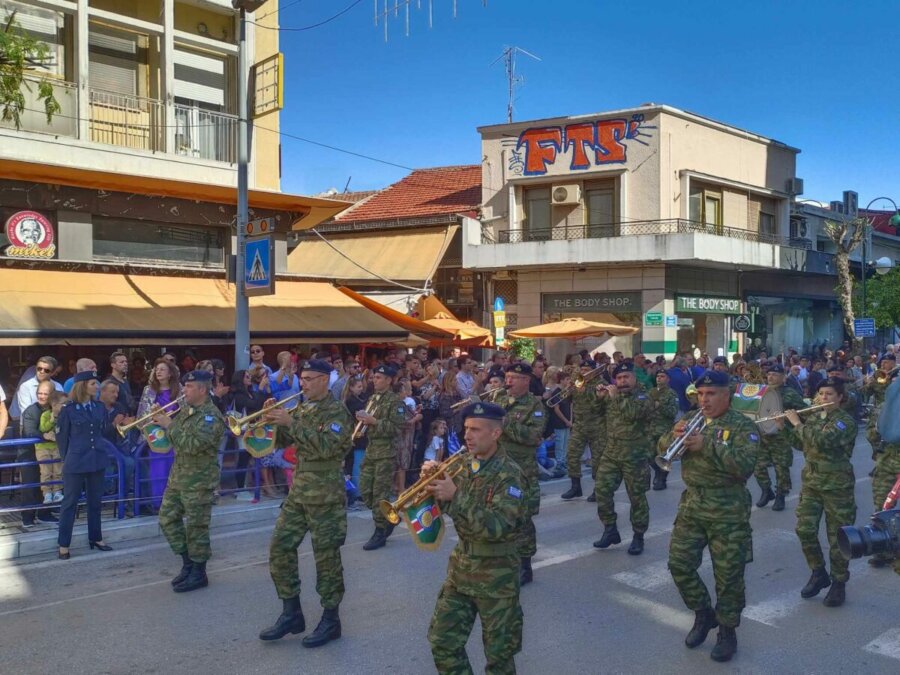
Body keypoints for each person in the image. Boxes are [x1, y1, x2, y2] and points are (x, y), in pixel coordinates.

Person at [660, 370, 759, 662]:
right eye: (701, 394)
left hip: (728, 508)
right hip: (693, 505)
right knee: (679, 564)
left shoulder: (743, 426)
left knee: (728, 575)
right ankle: (704, 613)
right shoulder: (692, 419)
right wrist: (672, 436)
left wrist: (708, 446)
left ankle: (727, 630)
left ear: (726, 395)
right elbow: (662, 448)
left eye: (711, 394)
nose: (704, 400)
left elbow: (744, 465)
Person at [425, 402, 526, 674]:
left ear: (495, 434)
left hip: (497, 576)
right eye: (466, 428)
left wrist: (455, 495)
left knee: (499, 658)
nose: (467, 435)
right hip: (461, 571)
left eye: (476, 430)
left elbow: (498, 527)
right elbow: (452, 511)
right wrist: (433, 487)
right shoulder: (463, 465)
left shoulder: (510, 475)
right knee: (442, 642)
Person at [259, 359, 353, 648]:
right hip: (299, 493)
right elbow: (283, 441)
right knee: (280, 547)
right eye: (303, 378)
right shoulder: (302, 408)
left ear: (325, 380)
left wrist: (292, 422)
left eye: (310, 378)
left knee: (326, 558)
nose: (304, 383)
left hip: (325, 496)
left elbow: (327, 447)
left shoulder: (338, 412)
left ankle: (330, 619)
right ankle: (291, 612)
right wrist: (271, 419)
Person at [786, 376, 857, 607]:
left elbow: (822, 441)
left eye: (828, 394)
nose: (823, 398)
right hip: (812, 483)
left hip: (837, 486)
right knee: (804, 530)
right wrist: (783, 428)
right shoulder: (815, 417)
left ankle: (838, 583)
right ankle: (818, 572)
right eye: (821, 394)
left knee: (837, 537)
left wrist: (797, 423)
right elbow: (802, 443)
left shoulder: (844, 421)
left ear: (839, 398)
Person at [152, 370, 226, 593]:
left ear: (202, 389)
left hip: (199, 481)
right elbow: (174, 439)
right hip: (178, 477)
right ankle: (187, 562)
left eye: (189, 387)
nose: (183, 391)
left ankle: (199, 571)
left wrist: (169, 424)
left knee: (196, 527)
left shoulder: (211, 417)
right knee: (167, 519)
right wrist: (155, 425)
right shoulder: (187, 410)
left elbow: (193, 444)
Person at [593, 362, 654, 555]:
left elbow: (632, 414)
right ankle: (610, 529)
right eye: (619, 378)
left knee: (636, 498)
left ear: (634, 378)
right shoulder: (613, 395)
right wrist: (598, 398)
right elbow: (595, 414)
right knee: (601, 491)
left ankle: (638, 536)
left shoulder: (643, 396)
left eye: (626, 377)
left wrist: (615, 397)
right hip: (611, 453)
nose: (622, 381)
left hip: (634, 455)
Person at [56, 370, 114, 560]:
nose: (96, 387)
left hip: (96, 458)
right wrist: (67, 458)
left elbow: (103, 431)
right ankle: (63, 544)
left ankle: (96, 537)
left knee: (95, 502)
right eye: (92, 384)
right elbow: (62, 439)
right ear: (82, 386)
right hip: (76, 461)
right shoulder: (68, 409)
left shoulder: (98, 407)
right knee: (70, 503)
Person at [499, 363, 545, 584]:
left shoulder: (535, 405)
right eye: (507, 377)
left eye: (514, 377)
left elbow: (533, 437)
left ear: (526, 380)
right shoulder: (498, 399)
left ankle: (525, 565)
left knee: (522, 517)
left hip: (521, 469)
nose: (509, 381)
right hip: (497, 467)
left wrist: (503, 421)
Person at [356, 364, 406, 551]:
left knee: (380, 494)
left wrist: (374, 421)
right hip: (371, 451)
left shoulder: (395, 402)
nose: (374, 380)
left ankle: (380, 532)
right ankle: (390, 517)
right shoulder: (373, 398)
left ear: (389, 380)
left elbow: (397, 428)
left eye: (378, 377)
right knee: (366, 492)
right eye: (374, 377)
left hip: (386, 454)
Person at [754, 364, 806, 511]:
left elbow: (802, 411)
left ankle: (780, 495)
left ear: (783, 378)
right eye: (769, 374)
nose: (770, 377)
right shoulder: (761, 391)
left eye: (775, 374)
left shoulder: (789, 393)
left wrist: (793, 423)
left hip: (781, 436)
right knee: (758, 467)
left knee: (781, 468)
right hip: (762, 435)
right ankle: (766, 490)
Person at [137, 359, 181, 509]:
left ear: (170, 373)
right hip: (155, 438)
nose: (158, 372)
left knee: (175, 470)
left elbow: (186, 414)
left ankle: (176, 503)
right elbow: (141, 416)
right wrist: (155, 417)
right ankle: (159, 503)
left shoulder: (180, 390)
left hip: (175, 435)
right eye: (157, 369)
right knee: (158, 471)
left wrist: (169, 420)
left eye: (162, 369)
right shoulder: (148, 390)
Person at [21, 381, 62, 523]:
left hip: (51, 452)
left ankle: (45, 514)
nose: (42, 396)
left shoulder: (56, 409)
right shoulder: (31, 411)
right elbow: (29, 431)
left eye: (46, 393)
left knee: (51, 479)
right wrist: (44, 435)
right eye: (40, 393)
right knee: (31, 486)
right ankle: (27, 518)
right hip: (30, 453)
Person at [561, 361, 603, 500]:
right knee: (572, 455)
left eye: (587, 369)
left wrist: (585, 391)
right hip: (579, 425)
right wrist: (568, 389)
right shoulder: (578, 381)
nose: (584, 372)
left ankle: (598, 489)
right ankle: (575, 487)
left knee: (597, 459)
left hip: (596, 425)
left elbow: (600, 403)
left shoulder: (600, 382)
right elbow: (566, 399)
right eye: (582, 369)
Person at [648, 370, 679, 491]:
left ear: (668, 379)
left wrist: (659, 405)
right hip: (650, 429)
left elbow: (673, 412)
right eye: (657, 376)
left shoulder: (671, 394)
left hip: (664, 430)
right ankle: (658, 473)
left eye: (662, 376)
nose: (659, 378)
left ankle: (662, 479)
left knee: (664, 456)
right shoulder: (651, 392)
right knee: (649, 455)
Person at [35, 391, 67, 503]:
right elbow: (43, 428)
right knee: (46, 471)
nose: (65, 406)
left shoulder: (64, 416)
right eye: (63, 403)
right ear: (54, 404)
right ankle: (47, 493)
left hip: (57, 446)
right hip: (43, 448)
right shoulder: (45, 415)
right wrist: (52, 419)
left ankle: (57, 492)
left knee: (58, 470)